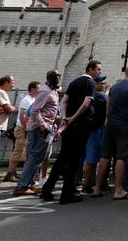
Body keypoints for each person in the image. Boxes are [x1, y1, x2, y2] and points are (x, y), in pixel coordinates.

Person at [40, 60, 101, 204]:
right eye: (98, 69)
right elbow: (86, 104)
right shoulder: (90, 83)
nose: (99, 72)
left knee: (62, 158)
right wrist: (73, 118)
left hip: (69, 126)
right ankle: (67, 194)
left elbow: (64, 101)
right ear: (90, 69)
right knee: (74, 160)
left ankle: (47, 190)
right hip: (80, 125)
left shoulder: (74, 82)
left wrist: (65, 118)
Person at [92, 65, 128, 199]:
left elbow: (108, 105)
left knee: (105, 156)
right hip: (126, 125)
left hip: (112, 124)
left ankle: (97, 188)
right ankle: (118, 190)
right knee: (121, 156)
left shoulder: (115, 86)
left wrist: (109, 120)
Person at [14, 70, 62, 195]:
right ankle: (22, 186)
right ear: (49, 78)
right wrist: (44, 126)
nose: (58, 79)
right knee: (36, 157)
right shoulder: (45, 91)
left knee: (33, 157)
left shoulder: (52, 91)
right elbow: (35, 111)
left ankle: (27, 184)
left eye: (58, 76)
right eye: (55, 77)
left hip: (42, 128)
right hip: (39, 129)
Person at [4, 81, 40, 182]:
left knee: (22, 152)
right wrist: (26, 129)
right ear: (32, 89)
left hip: (26, 128)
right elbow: (22, 116)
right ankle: (9, 174)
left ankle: (13, 172)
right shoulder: (27, 100)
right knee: (18, 151)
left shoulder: (33, 99)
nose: (40, 90)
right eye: (38, 88)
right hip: (21, 128)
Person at [82, 75, 108, 193]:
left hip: (88, 128)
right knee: (98, 158)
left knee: (89, 158)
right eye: (101, 83)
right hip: (98, 129)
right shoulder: (100, 97)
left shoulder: (87, 97)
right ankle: (95, 184)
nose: (103, 85)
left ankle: (87, 183)